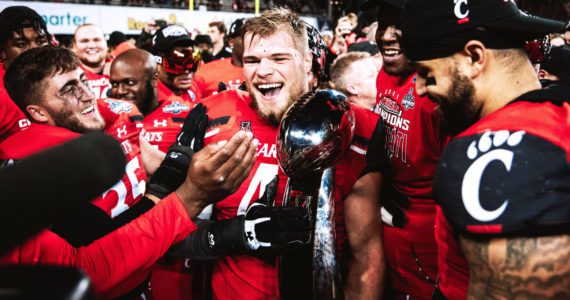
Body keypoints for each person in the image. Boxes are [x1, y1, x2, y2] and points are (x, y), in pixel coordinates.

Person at [0, 45, 258, 298]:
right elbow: (94, 266)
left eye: (83, 81)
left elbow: (155, 164)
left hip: (148, 273)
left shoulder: (106, 116)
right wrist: (183, 194)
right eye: (69, 90)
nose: (87, 95)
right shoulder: (37, 176)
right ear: (38, 112)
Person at [192, 8, 383, 299]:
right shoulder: (215, 113)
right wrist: (233, 235)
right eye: (252, 60)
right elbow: (175, 228)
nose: (263, 71)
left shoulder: (354, 124)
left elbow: (366, 254)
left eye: (279, 59)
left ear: (308, 62)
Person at [399, 0, 569, 298]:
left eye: (426, 72)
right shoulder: (555, 114)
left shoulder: (496, 153)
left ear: (475, 57)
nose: (420, 89)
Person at [359, 0, 469, 298]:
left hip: (430, 242)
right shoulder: (385, 74)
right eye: (383, 24)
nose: (385, 36)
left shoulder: (442, 89)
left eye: (400, 26)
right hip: (386, 228)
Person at [0, 6, 49, 142]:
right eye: (22, 44)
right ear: (2, 51)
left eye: (40, 41)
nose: (35, 50)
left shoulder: (61, 79)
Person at [191, 18, 246, 98]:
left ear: (222, 34)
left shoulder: (230, 54)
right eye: (209, 32)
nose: (209, 34)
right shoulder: (202, 56)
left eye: (213, 32)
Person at [72, 24, 110, 99]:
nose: (91, 45)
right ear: (75, 47)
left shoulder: (124, 70)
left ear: (106, 44)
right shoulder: (69, 77)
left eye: (97, 40)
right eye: (84, 41)